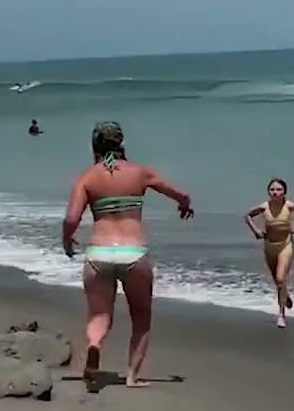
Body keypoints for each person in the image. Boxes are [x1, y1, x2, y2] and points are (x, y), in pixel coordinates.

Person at [61, 121, 194, 388]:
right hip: (133, 253)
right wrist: (184, 204)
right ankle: (133, 376)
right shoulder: (139, 173)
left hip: (99, 253)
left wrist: (67, 241)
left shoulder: (87, 178)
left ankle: (95, 344)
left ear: (94, 146)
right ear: (121, 143)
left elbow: (71, 218)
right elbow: (179, 194)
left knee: (99, 315)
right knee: (141, 315)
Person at [243, 178, 294, 328]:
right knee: (278, 281)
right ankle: (286, 295)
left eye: (279, 190)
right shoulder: (264, 207)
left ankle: (281, 315)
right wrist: (255, 231)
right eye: (272, 189)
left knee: (280, 278)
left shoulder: (289, 205)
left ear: (284, 192)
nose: (275, 192)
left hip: (285, 245)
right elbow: (247, 216)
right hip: (269, 246)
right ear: (268, 191)